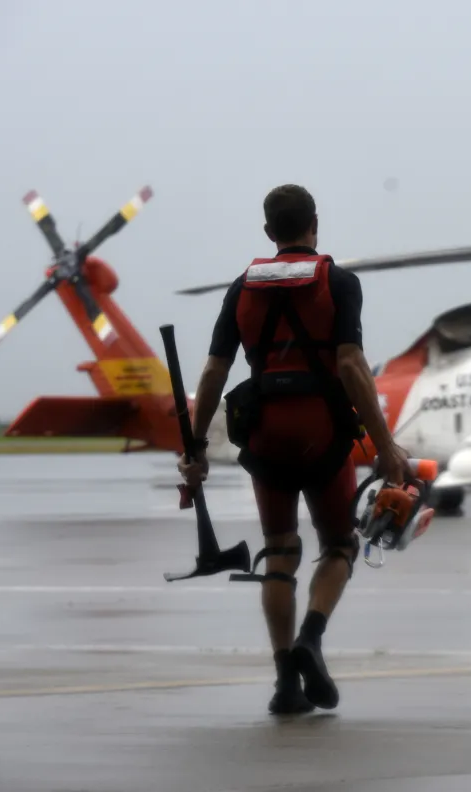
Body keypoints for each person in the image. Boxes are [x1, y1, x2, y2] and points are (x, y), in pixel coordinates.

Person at [177, 183, 408, 715]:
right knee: (339, 546)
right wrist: (385, 445)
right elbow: (350, 367)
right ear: (315, 224)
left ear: (268, 232)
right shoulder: (339, 282)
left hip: (264, 433)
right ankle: (311, 638)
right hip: (323, 430)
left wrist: (194, 447)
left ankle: (285, 684)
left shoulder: (242, 287)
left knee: (280, 550)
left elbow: (214, 371)